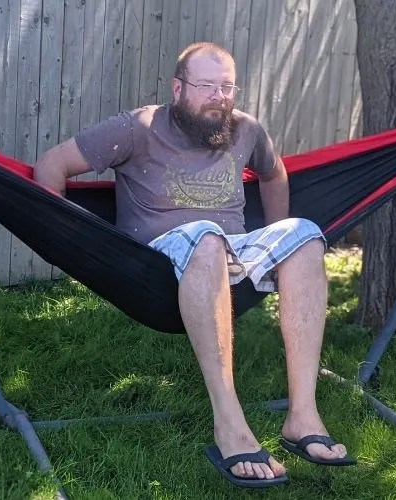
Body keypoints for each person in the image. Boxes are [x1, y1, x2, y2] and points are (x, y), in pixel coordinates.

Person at [34, 42, 354, 488]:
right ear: (178, 88)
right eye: (206, 86)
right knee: (204, 237)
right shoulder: (137, 128)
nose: (219, 97)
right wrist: (65, 240)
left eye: (227, 87)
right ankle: (230, 424)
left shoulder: (246, 130)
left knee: (305, 236)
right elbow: (52, 165)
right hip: (154, 263)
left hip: (230, 254)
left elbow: (274, 172)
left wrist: (278, 239)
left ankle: (302, 417)